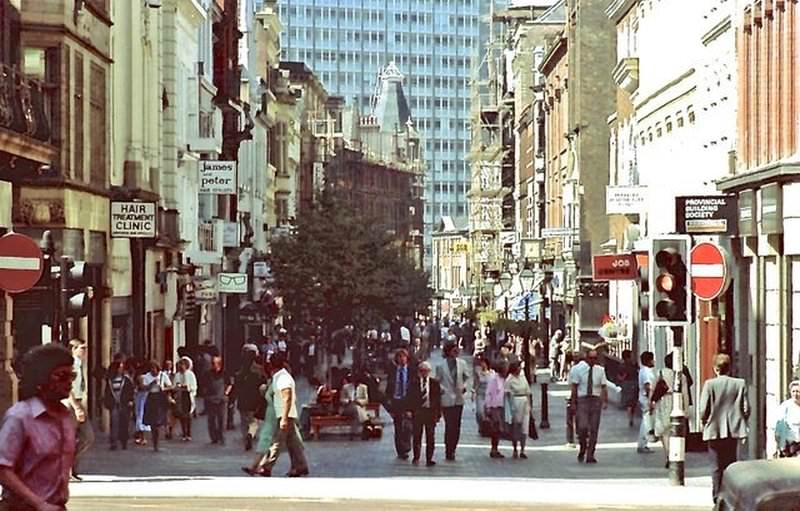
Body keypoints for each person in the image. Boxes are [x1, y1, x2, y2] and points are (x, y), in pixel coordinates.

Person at [0, 344, 76, 511]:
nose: (69, 383)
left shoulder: (65, 416)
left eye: (72, 376)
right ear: (41, 378)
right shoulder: (20, 416)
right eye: (61, 376)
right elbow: (3, 469)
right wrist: (39, 504)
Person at [699, 353, 750, 503]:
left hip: (714, 429)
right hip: (733, 430)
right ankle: (730, 495)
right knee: (731, 464)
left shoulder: (709, 384)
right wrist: (741, 421)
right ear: (730, 368)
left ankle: (717, 496)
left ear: (716, 369)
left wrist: (705, 422)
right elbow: (746, 408)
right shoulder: (740, 383)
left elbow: (703, 409)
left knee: (716, 466)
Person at [259, 352, 309, 477]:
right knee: (294, 443)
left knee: (277, 441)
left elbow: (287, 396)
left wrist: (284, 418)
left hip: (284, 414)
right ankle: (301, 465)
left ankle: (266, 466)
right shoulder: (279, 376)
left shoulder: (283, 378)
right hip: (284, 413)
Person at [569, 349, 608, 464]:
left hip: (595, 400)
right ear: (586, 358)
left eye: (595, 358)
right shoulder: (579, 370)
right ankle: (582, 446)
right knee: (582, 426)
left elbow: (604, 386)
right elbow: (574, 387)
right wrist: (573, 402)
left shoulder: (600, 370)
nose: (593, 361)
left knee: (594, 428)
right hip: (583, 400)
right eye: (591, 358)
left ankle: (590, 454)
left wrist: (605, 400)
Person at [652, 352, 690, 468]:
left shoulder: (660, 373)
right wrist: (686, 409)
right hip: (676, 401)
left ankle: (668, 454)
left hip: (663, 401)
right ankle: (675, 454)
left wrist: (651, 402)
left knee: (664, 430)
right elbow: (685, 394)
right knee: (675, 430)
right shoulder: (681, 376)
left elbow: (653, 389)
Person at [436, 341, 472, 461]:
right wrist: (442, 390)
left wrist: (464, 386)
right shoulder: (441, 366)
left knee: (456, 425)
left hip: (458, 398)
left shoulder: (462, 363)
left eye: (457, 350)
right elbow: (438, 381)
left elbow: (466, 377)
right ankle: (448, 449)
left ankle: (454, 448)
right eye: (453, 350)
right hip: (446, 398)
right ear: (448, 351)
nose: (456, 352)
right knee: (449, 425)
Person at [65, 339, 94, 481]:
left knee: (87, 437)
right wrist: (76, 407)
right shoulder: (70, 365)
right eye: (82, 348)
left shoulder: (80, 364)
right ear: (73, 349)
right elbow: (67, 386)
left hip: (79, 401)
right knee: (70, 437)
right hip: (70, 403)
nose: (85, 351)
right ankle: (68, 470)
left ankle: (71, 465)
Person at [242, 361, 278, 476]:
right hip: (263, 406)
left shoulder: (245, 372)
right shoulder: (262, 376)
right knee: (270, 440)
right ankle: (260, 466)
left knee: (256, 426)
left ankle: (250, 434)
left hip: (258, 405)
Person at [407, 361, 441, 466]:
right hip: (418, 412)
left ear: (429, 372)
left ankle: (429, 458)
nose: (424, 373)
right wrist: (409, 410)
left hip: (430, 412)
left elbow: (438, 399)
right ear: (419, 372)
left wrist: (438, 414)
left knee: (430, 436)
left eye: (426, 371)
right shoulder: (413, 383)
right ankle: (416, 456)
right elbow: (409, 398)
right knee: (417, 435)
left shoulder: (434, 383)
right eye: (422, 371)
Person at [233, 348, 267, 451]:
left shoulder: (240, 372)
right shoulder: (259, 372)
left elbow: (236, 385)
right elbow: (263, 385)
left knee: (244, 421)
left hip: (243, 399)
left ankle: (245, 437)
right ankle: (250, 434)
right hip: (254, 400)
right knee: (254, 421)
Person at [384, 349, 413, 459]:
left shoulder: (411, 371)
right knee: (398, 426)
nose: (402, 359)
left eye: (404, 356)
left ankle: (406, 446)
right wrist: (389, 406)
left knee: (408, 426)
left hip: (407, 400)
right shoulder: (393, 371)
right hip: (396, 400)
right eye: (399, 357)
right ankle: (400, 450)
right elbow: (388, 389)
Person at [103, 360, 135, 451]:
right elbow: (107, 393)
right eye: (120, 367)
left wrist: (130, 400)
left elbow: (130, 391)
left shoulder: (126, 380)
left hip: (124, 404)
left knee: (124, 423)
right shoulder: (110, 381)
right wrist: (108, 403)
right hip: (114, 405)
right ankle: (113, 442)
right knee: (114, 423)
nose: (121, 369)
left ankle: (124, 441)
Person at [505, 361, 532, 459]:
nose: (520, 369)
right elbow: (507, 394)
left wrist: (529, 405)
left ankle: (523, 449)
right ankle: (515, 448)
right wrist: (509, 408)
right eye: (518, 367)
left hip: (524, 402)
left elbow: (528, 392)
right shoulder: (509, 379)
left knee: (525, 427)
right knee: (516, 427)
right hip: (515, 403)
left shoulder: (523, 377)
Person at [141, 361, 171, 451]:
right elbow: (143, 387)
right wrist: (151, 384)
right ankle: (154, 441)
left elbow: (170, 386)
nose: (153, 370)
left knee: (158, 421)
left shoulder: (163, 375)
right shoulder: (146, 376)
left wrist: (163, 388)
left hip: (160, 398)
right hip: (151, 399)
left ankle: (157, 440)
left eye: (154, 368)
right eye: (151, 368)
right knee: (152, 422)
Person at [485, 362, 508, 458]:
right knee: (495, 428)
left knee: (499, 428)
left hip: (503, 406)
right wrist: (488, 406)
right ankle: (493, 449)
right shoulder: (494, 379)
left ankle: (496, 448)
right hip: (495, 406)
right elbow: (489, 393)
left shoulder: (505, 379)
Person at [173, 356, 198, 442]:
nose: (181, 366)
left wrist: (189, 388)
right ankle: (184, 432)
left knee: (188, 415)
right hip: (180, 396)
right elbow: (175, 385)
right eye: (180, 364)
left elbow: (194, 386)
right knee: (182, 415)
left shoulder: (190, 374)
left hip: (188, 396)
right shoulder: (177, 375)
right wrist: (178, 387)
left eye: (183, 364)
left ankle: (189, 432)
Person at [340, 372, 370, 438]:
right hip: (348, 408)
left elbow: (366, 400)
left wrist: (358, 401)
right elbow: (342, 399)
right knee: (356, 409)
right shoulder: (346, 387)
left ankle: (354, 431)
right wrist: (348, 401)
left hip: (359, 406)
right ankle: (365, 421)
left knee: (356, 409)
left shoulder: (364, 387)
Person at [637, 351, 656, 454]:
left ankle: (643, 443)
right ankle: (642, 443)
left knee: (646, 421)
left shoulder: (643, 371)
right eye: (652, 359)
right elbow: (648, 386)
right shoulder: (646, 372)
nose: (654, 361)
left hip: (643, 398)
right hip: (646, 399)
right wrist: (650, 400)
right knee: (646, 422)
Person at [775, 380, 800, 457]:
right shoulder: (786, 406)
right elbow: (779, 425)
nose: (795, 394)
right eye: (793, 391)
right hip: (790, 444)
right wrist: (780, 444)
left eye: (798, 391)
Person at [206, 356, 227, 445]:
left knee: (221, 419)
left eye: (215, 363)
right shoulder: (207, 374)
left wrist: (226, 393)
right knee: (211, 419)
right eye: (213, 363)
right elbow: (203, 384)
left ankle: (221, 435)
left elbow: (229, 383)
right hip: (210, 399)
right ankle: (213, 437)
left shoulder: (224, 373)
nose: (214, 365)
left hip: (221, 399)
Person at [619, 350, 639, 428]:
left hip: (628, 384)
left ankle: (630, 417)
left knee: (630, 403)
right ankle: (631, 417)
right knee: (632, 402)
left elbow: (619, 377)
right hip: (631, 383)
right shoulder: (631, 365)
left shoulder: (623, 365)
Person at [474, 356, 493, 435]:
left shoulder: (492, 373)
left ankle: (486, 428)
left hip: (489, 395)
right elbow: (476, 383)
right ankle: (480, 425)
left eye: (484, 363)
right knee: (480, 412)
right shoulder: (478, 372)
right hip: (480, 394)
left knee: (488, 412)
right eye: (481, 363)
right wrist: (473, 392)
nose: (482, 365)